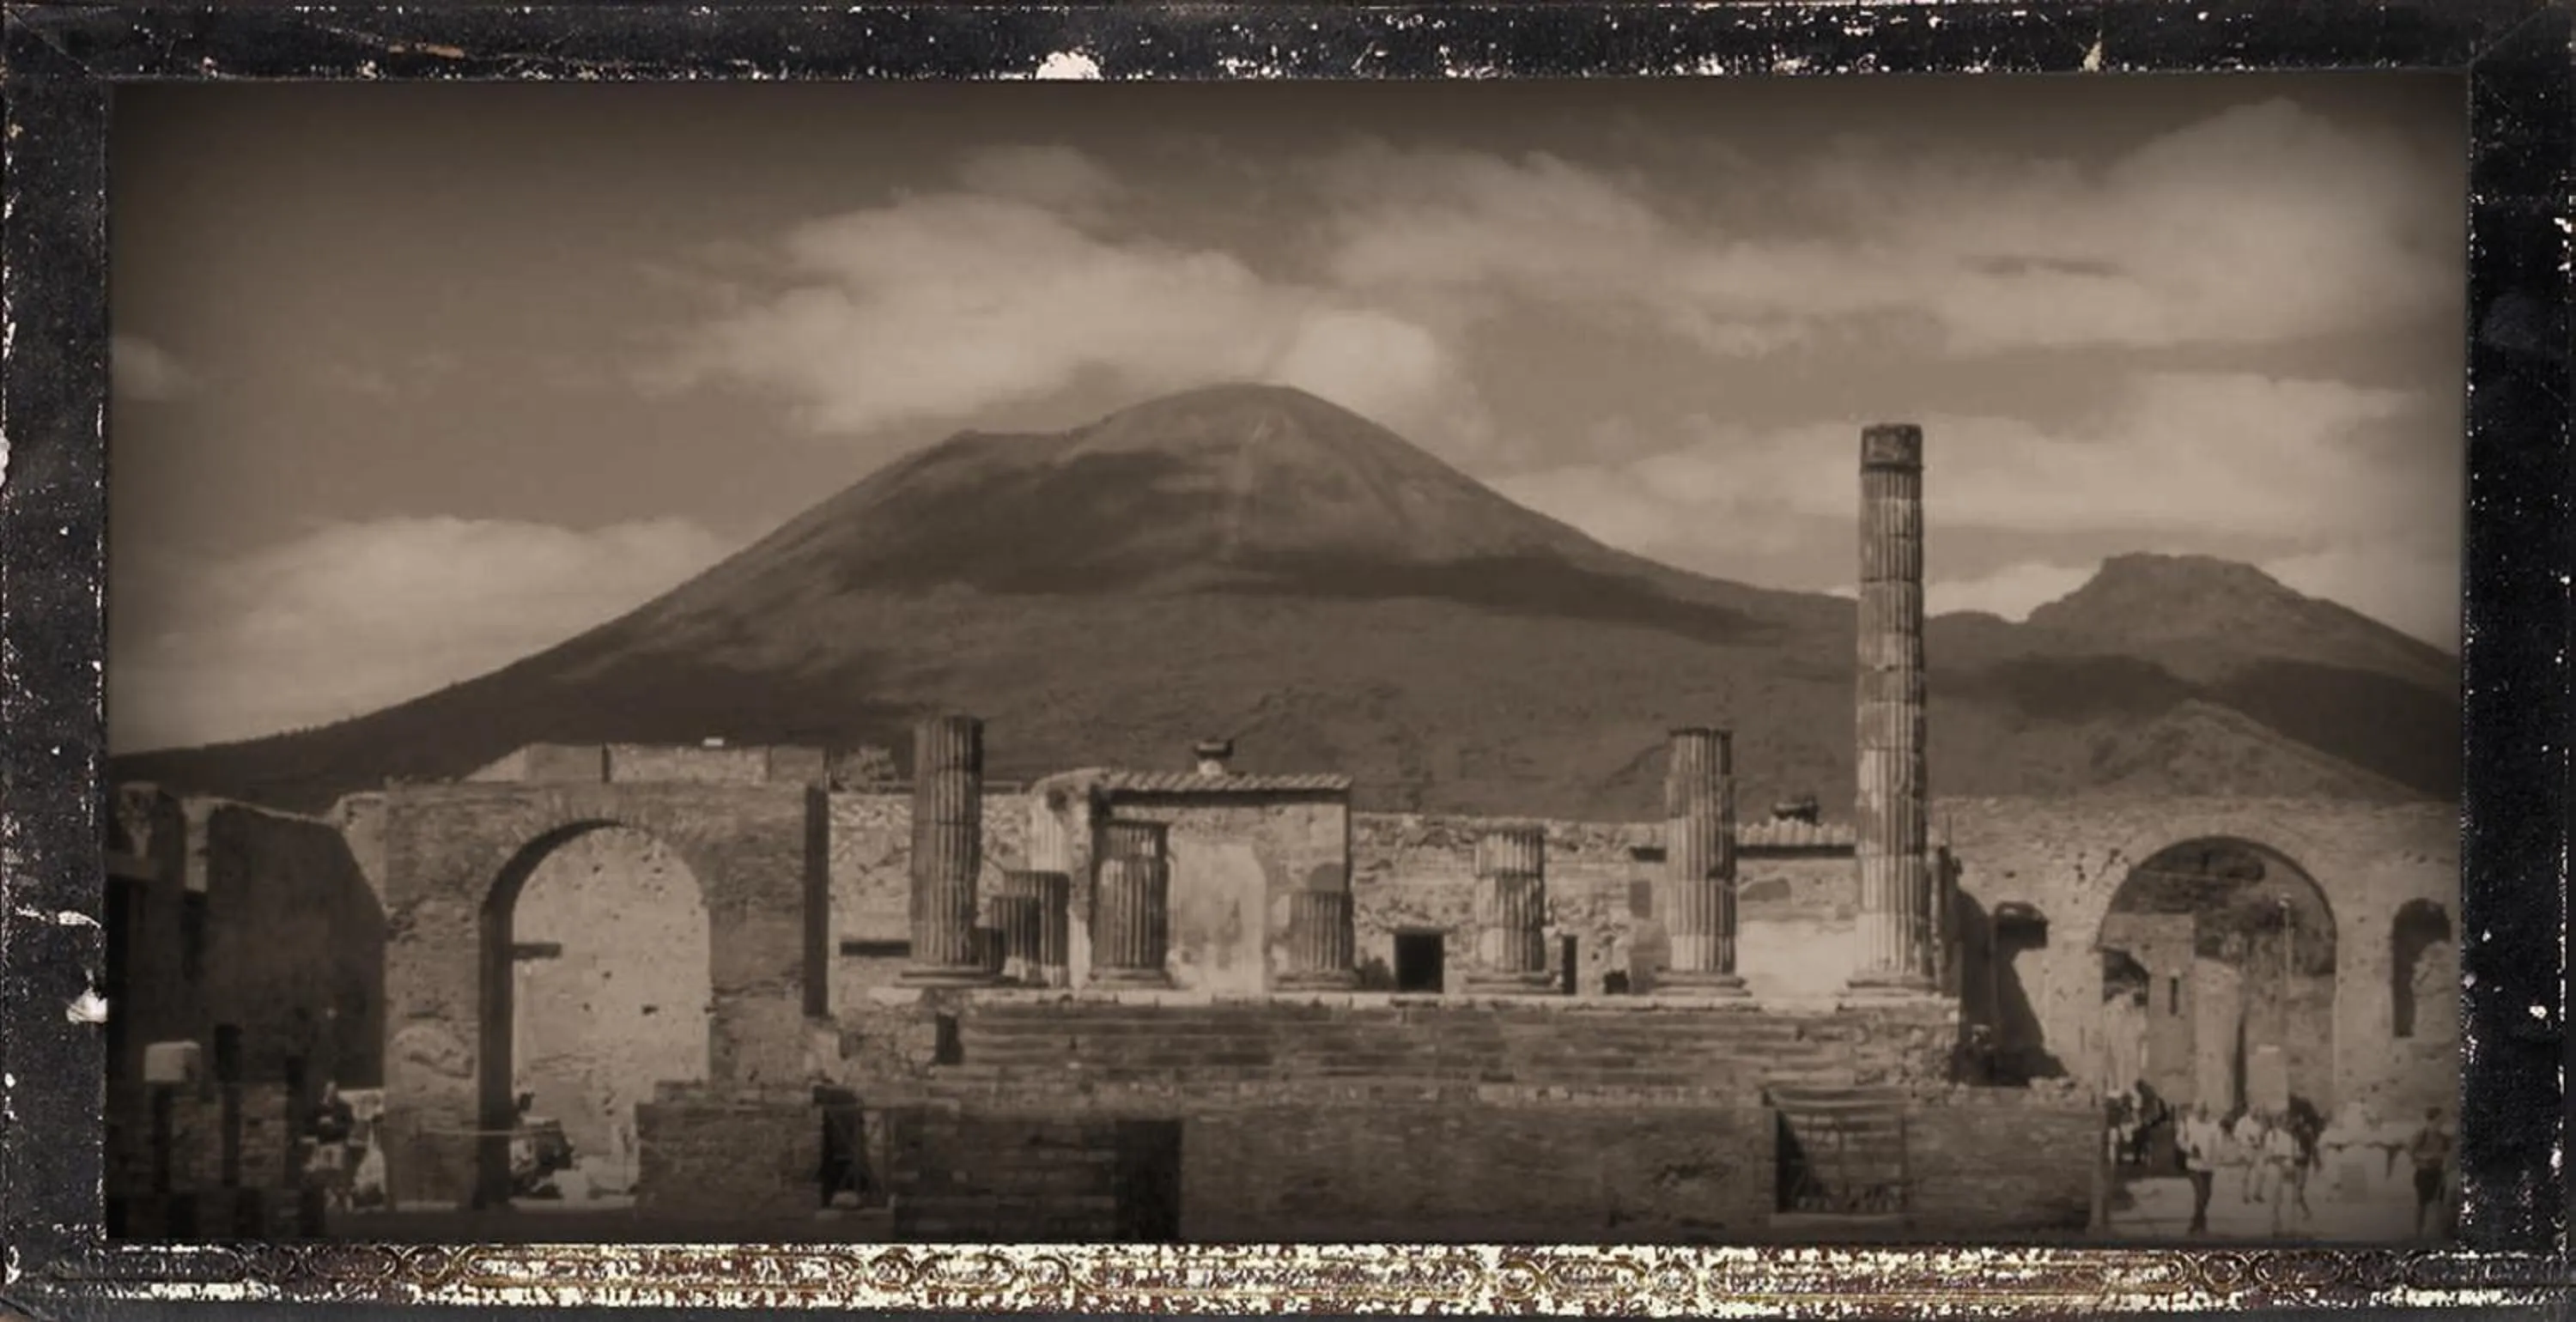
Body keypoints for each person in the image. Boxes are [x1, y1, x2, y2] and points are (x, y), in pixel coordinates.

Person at [2409, 1107, 2453, 1239]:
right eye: (2440, 1118)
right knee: (2422, 1204)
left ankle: (2440, 1233)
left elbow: (2448, 1153)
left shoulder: (2444, 1137)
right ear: (2432, 1119)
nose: (2442, 1121)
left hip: (2438, 1173)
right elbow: (2412, 1153)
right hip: (2423, 1173)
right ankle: (2418, 1234)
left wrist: (2445, 1160)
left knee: (2440, 1203)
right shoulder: (2421, 1135)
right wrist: (2427, 1157)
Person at [2177, 1103, 2220, 1235]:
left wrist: (2216, 1156)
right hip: (2194, 1165)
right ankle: (2197, 1223)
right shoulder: (2188, 1123)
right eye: (2199, 1112)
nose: (2201, 1114)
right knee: (2200, 1193)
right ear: (2195, 1112)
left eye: (2204, 1112)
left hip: (2208, 1165)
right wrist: (2189, 1149)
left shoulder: (2214, 1125)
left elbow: (2218, 1142)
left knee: (2207, 1194)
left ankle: (2198, 1222)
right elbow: (2180, 1140)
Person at [2263, 1110, 2306, 1234]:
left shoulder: (2291, 1137)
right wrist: (2282, 1161)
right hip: (2275, 1168)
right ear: (2279, 1121)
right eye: (2284, 1121)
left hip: (2289, 1169)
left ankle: (2290, 1226)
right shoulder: (2272, 1134)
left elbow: (2296, 1152)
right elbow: (2269, 1154)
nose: (2287, 1123)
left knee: (2289, 1197)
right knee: (2276, 1197)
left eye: (2288, 1121)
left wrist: (2300, 1156)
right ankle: (2275, 1225)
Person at [2230, 1107, 2269, 1204]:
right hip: (2246, 1149)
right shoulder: (2242, 1121)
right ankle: (2245, 1195)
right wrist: (2245, 1142)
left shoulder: (2259, 1122)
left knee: (2261, 1172)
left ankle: (2257, 1193)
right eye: (2253, 1110)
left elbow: (2263, 1135)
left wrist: (2261, 1142)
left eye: (2257, 1111)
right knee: (2245, 1174)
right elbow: (2236, 1135)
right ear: (2249, 1110)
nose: (2255, 1112)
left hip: (2258, 1149)